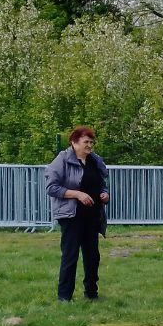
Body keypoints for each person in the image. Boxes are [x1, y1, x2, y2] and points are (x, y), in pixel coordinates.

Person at [45, 126, 109, 302]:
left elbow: (101, 183)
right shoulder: (62, 160)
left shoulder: (95, 161)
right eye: (85, 142)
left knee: (92, 257)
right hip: (71, 216)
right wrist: (77, 194)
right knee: (70, 256)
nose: (89, 145)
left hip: (93, 215)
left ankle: (91, 293)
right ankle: (64, 296)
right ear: (74, 143)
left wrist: (105, 194)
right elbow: (51, 187)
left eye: (91, 142)